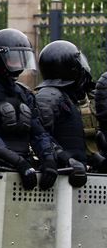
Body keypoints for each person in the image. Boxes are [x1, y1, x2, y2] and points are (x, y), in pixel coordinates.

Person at [0, 28, 80, 190]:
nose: (19, 64)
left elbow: (39, 133)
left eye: (22, 58)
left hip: (26, 167)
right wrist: (19, 163)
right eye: (14, 59)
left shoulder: (24, 93)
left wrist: (49, 160)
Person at [35, 40, 103, 172]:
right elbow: (39, 136)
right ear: (69, 69)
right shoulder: (49, 96)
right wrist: (65, 158)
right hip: (60, 175)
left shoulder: (66, 97)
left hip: (74, 172)